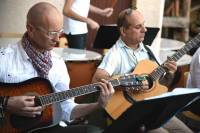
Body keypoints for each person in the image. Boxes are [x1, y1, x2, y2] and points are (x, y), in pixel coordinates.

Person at [0, 2, 114, 133]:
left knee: (94, 131)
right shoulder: (4, 59)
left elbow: (66, 109)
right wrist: (6, 103)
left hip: (46, 127)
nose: (57, 38)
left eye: (60, 31)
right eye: (51, 32)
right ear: (30, 29)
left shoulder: (57, 63)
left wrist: (98, 105)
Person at [92, 8, 193, 133]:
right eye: (138, 27)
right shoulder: (115, 54)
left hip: (153, 109)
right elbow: (96, 79)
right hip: (130, 111)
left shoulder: (148, 50)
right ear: (124, 31)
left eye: (144, 25)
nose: (145, 30)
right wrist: (131, 83)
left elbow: (160, 86)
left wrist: (170, 73)